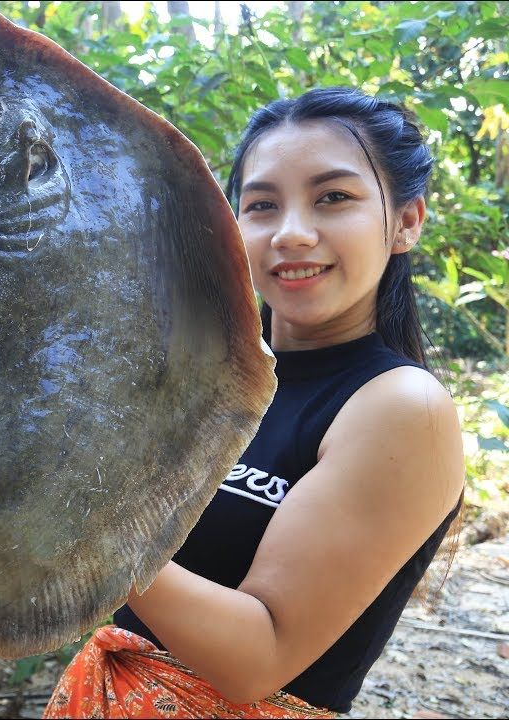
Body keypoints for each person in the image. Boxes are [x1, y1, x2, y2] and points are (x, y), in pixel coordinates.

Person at [37, 87, 466, 718]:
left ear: (405, 221)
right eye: (262, 205)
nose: (291, 233)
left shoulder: (401, 408)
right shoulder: (209, 375)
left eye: (333, 198)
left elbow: (257, 659)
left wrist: (80, 516)